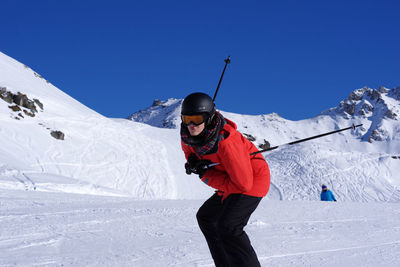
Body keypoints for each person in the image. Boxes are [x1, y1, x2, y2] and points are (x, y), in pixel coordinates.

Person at [180, 92, 270, 267]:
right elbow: (189, 152)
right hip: (231, 178)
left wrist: (205, 174)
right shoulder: (188, 137)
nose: (191, 125)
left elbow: (243, 184)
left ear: (208, 118)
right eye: (186, 119)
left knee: (229, 227)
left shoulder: (226, 142)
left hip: (252, 181)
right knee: (206, 217)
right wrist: (192, 162)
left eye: (197, 119)